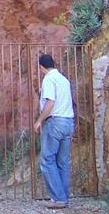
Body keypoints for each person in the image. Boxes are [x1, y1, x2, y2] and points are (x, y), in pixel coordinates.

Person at [34, 54, 75, 209]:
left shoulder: (49, 79)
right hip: (68, 122)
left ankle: (58, 198)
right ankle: (63, 197)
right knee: (62, 162)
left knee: (47, 160)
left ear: (41, 67)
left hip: (55, 122)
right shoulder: (63, 80)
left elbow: (51, 103)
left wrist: (39, 121)